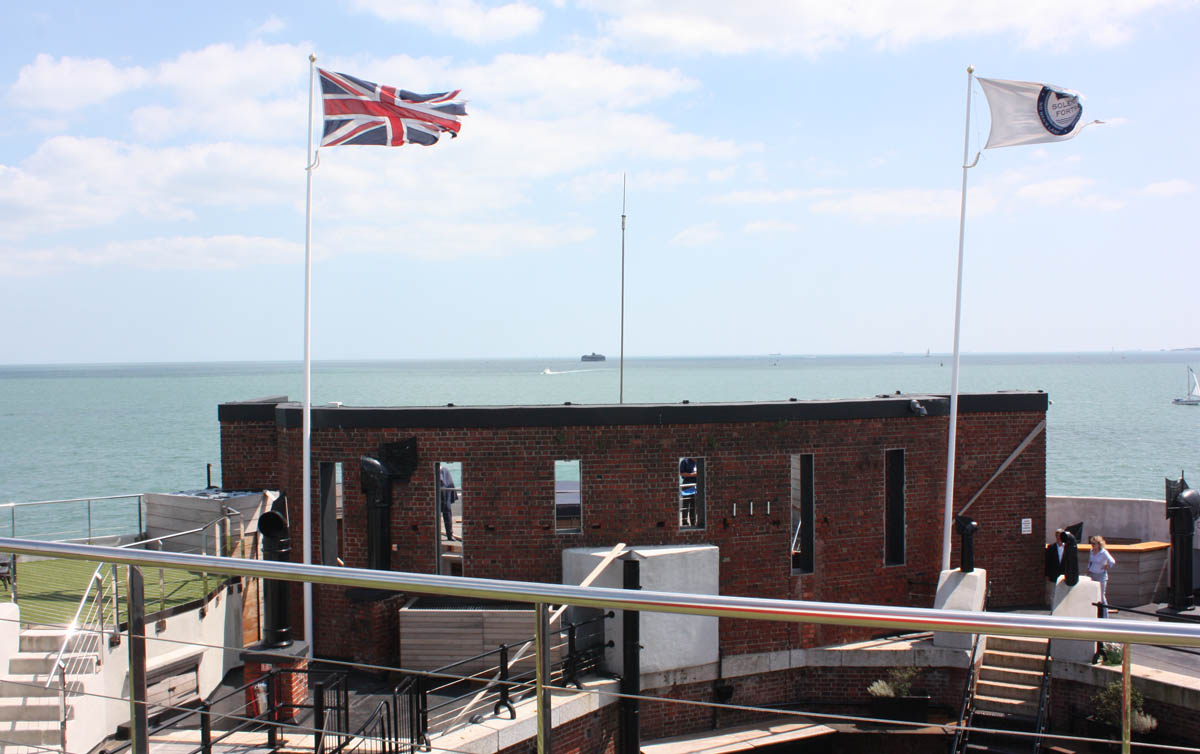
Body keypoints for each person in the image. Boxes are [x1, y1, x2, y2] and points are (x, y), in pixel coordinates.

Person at [1088, 535, 1116, 616]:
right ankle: (1094, 614)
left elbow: (1112, 561)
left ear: (1099, 544)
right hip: (1092, 574)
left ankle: (1104, 615)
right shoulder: (1091, 551)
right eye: (1092, 544)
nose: (1093, 545)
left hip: (1101, 576)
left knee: (1102, 596)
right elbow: (1090, 562)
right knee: (1093, 594)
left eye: (1094, 544)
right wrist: (1088, 570)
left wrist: (1107, 566)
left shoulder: (1103, 552)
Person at [438, 463, 458, 542]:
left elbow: (450, 484)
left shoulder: (445, 470)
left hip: (445, 495)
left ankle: (449, 534)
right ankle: (448, 534)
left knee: (447, 513)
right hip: (439, 494)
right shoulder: (443, 470)